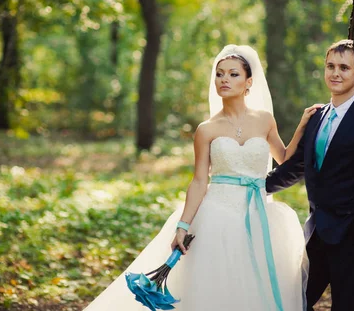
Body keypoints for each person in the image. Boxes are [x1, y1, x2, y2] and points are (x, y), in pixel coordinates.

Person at [84, 44, 319, 311]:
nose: (224, 80)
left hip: (257, 213)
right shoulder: (206, 129)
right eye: (219, 74)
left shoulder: (265, 120)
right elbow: (199, 181)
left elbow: (284, 158)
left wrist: (301, 127)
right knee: (215, 284)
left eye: (233, 74)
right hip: (216, 214)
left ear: (248, 82)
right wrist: (183, 225)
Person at [265, 39, 354, 311]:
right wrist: (254, 186)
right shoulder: (317, 117)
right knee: (295, 302)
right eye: (330, 66)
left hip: (353, 237)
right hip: (317, 232)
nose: (336, 73)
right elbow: (297, 167)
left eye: (344, 67)